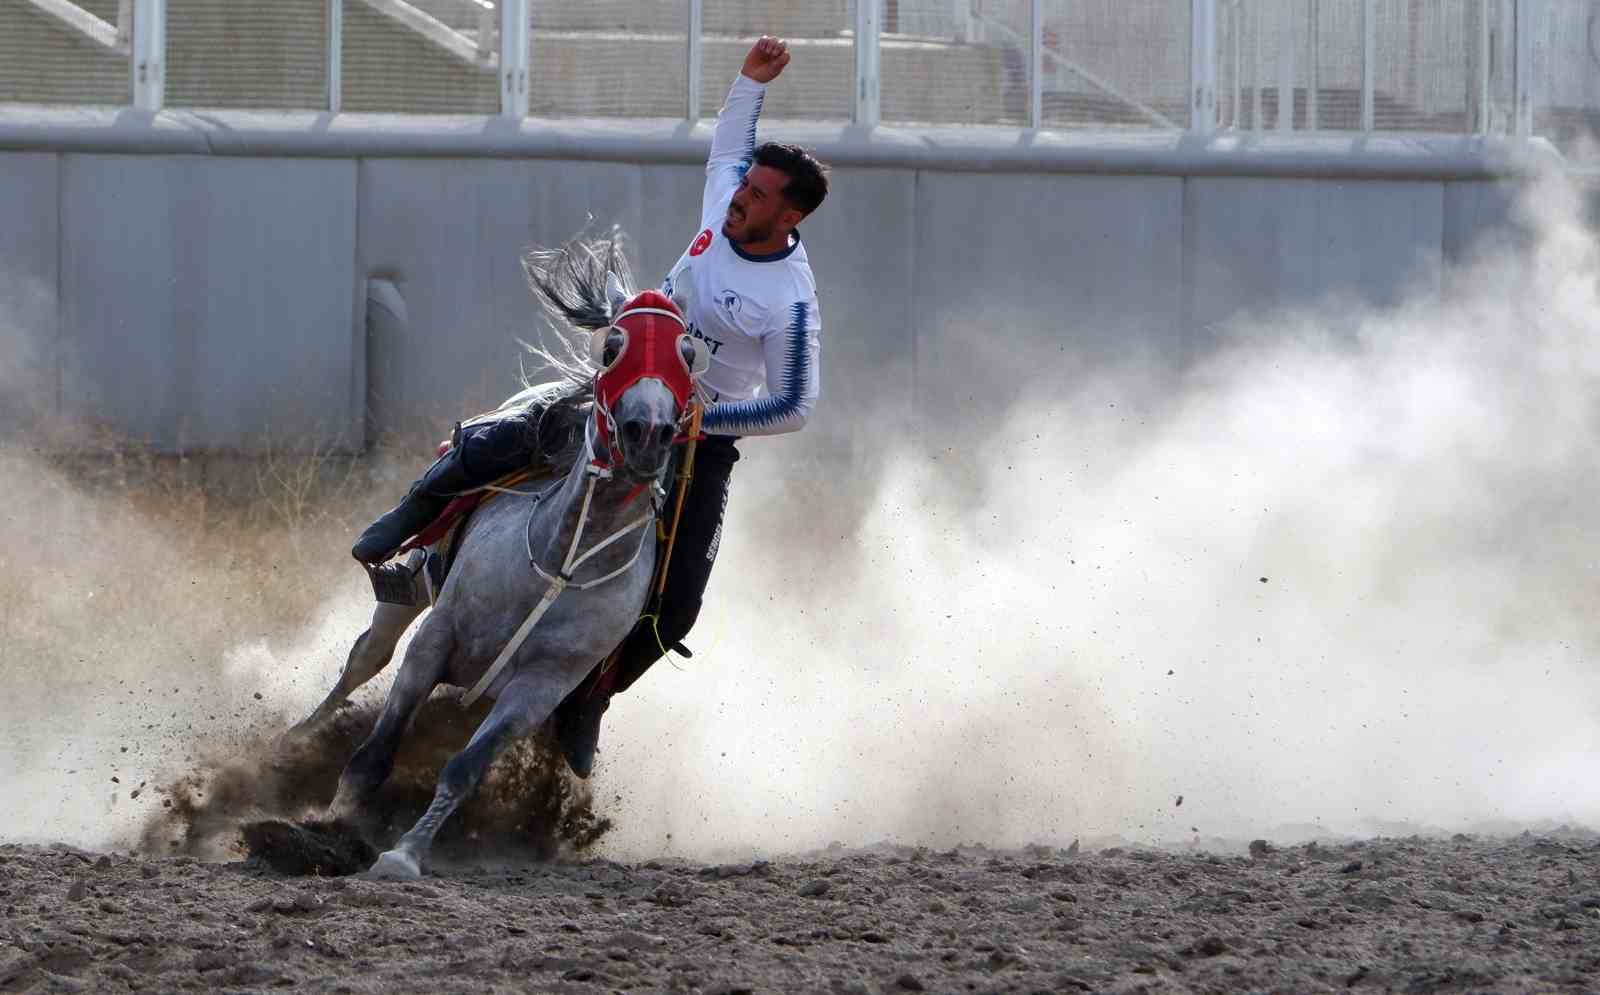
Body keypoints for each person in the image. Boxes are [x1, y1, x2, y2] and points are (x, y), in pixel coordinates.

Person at [350, 36, 829, 777]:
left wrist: (707, 421)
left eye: (759, 196)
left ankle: (589, 693)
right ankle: (408, 528)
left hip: (696, 437)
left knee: (676, 614)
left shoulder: (790, 299)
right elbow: (730, 142)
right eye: (745, 186)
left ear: (791, 214)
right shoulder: (725, 197)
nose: (740, 197)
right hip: (627, 384)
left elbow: (796, 403)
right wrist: (749, 81)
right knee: (506, 437)